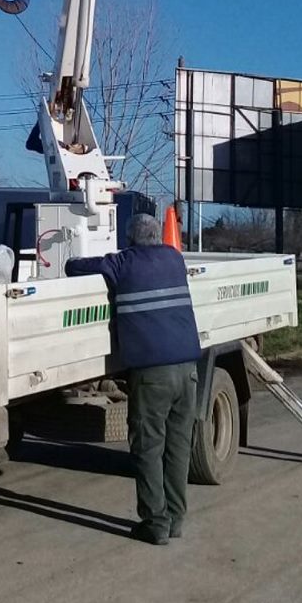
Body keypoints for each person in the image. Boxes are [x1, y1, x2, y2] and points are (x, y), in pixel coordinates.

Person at [65, 213, 201, 546]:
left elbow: (75, 268)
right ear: (158, 236)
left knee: (148, 447)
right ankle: (176, 518)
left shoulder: (123, 263)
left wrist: (72, 258)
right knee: (178, 446)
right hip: (188, 370)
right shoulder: (174, 258)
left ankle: (155, 523)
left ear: (130, 239)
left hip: (153, 374)